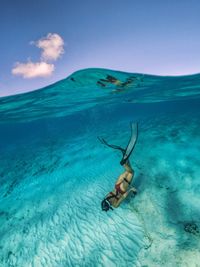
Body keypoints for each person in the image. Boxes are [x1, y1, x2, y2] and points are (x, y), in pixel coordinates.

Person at [99, 122, 138, 212]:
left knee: (132, 172)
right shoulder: (105, 198)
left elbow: (123, 196)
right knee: (128, 170)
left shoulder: (115, 205)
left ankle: (124, 162)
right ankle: (125, 157)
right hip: (116, 185)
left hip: (122, 189)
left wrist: (131, 190)